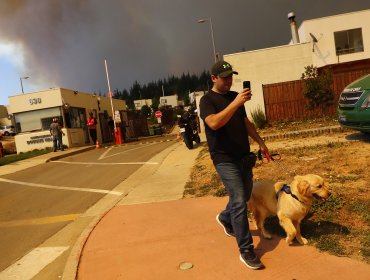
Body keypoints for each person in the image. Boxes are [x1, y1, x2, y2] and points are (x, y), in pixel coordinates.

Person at [199, 60, 269, 270]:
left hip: (243, 156)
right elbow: (214, 123)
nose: (229, 80)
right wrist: (236, 103)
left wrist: (261, 142)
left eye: (231, 76)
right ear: (213, 78)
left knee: (245, 196)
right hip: (224, 159)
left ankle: (224, 217)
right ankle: (246, 250)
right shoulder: (207, 100)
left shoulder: (233, 97)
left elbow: (245, 122)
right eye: (225, 77)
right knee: (239, 200)